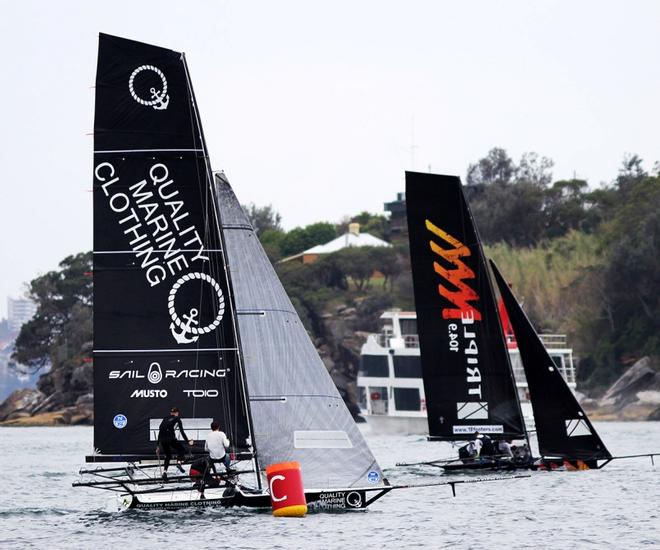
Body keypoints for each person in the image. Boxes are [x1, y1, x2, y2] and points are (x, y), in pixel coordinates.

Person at [156, 407, 194, 480]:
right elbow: (182, 432)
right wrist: (188, 441)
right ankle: (179, 463)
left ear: (171, 413)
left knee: (168, 456)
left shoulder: (165, 418)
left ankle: (165, 472)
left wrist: (157, 446)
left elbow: (160, 432)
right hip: (171, 439)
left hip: (162, 440)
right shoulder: (177, 419)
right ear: (177, 413)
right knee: (181, 449)